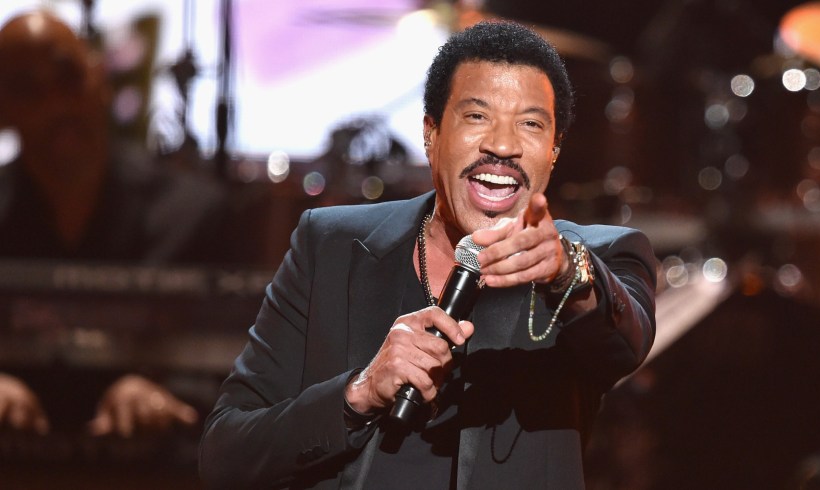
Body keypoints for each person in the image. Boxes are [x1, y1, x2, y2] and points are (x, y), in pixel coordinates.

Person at [199, 20, 657, 489]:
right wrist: (359, 393)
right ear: (431, 134)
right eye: (477, 116)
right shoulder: (329, 245)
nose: (502, 145)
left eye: (531, 124)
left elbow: (624, 344)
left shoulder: (602, 256)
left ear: (553, 151)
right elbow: (226, 455)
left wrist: (567, 272)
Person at [0, 11, 224, 440]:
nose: (56, 105)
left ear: (99, 79)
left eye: (66, 77)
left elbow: (240, 370)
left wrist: (160, 390)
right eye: (26, 88)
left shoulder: (192, 214)